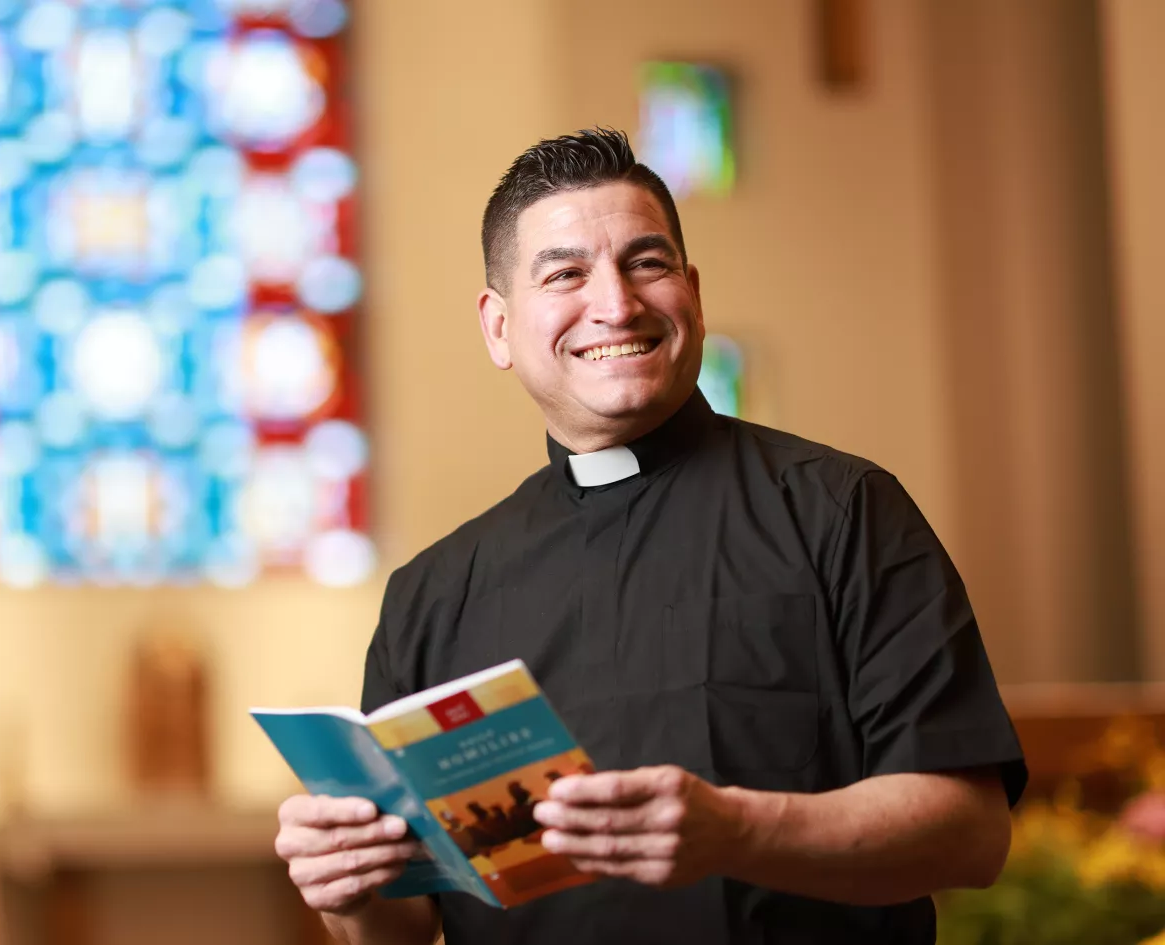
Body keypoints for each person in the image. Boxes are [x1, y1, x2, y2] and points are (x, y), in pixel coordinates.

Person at [271, 128, 1027, 944]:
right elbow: (407, 927)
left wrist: (737, 829)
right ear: (498, 326)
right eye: (566, 273)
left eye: (647, 263)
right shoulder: (433, 594)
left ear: (692, 294)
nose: (617, 304)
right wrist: (346, 891)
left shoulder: (841, 510)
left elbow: (970, 831)